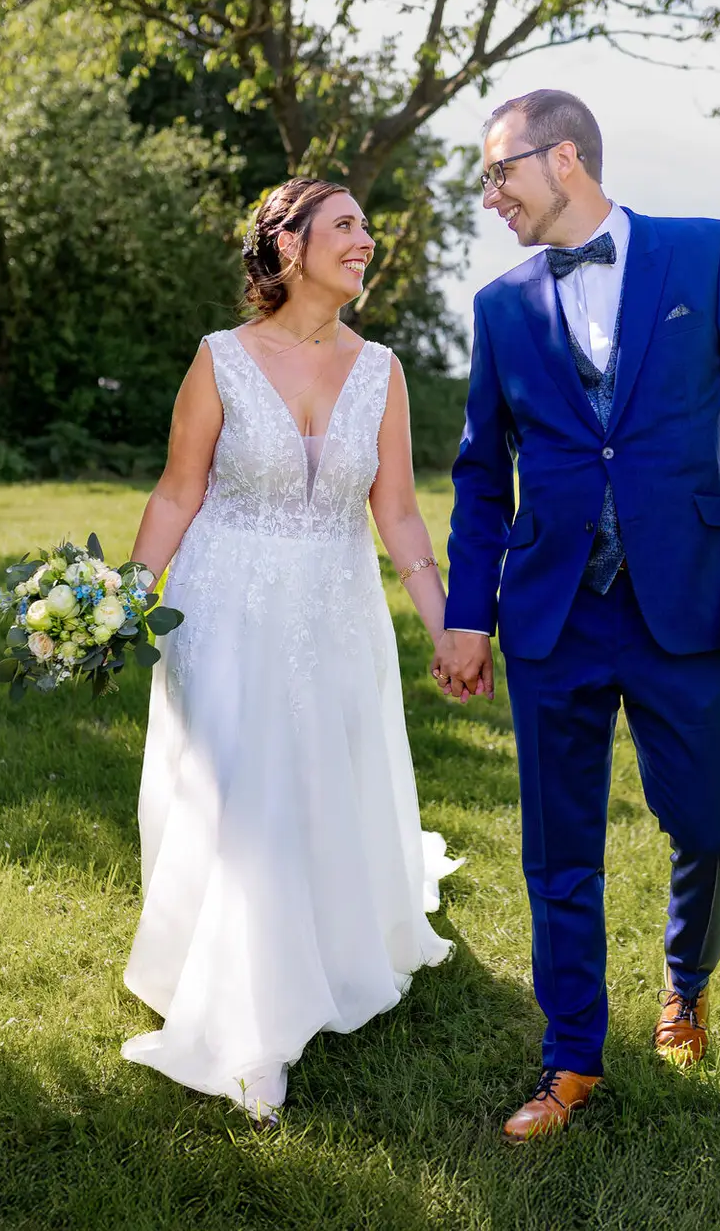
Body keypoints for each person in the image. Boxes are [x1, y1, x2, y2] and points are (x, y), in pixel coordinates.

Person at [433, 90, 720, 1142]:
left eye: (499, 171)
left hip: (689, 601)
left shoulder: (707, 253)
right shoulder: (501, 306)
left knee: (710, 826)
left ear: (564, 159)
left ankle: (686, 982)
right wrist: (468, 614)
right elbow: (481, 474)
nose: (490, 194)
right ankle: (570, 1060)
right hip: (551, 613)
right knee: (559, 848)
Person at [120, 177, 462, 1124]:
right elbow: (178, 492)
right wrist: (124, 601)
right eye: (345, 225)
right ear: (288, 246)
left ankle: (317, 951)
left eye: (366, 227)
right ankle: (251, 1032)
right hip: (222, 607)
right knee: (248, 796)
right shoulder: (220, 359)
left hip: (335, 612)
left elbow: (398, 512)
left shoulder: (381, 370)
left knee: (310, 783)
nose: (366, 240)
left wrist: (446, 629)